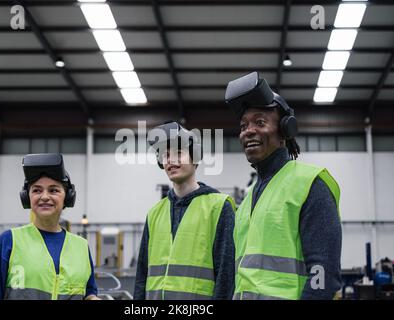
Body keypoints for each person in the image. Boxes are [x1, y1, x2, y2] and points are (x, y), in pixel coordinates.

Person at [225, 72, 342, 300]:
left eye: (260, 122)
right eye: (243, 126)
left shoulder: (310, 184)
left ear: (285, 131)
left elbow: (323, 273)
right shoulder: (248, 200)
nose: (248, 131)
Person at [133, 121, 236, 300]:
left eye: (178, 153)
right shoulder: (154, 213)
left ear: (195, 157)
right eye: (165, 155)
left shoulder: (219, 207)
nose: (170, 161)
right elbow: (142, 274)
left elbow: (226, 276)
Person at [0, 153, 99, 300]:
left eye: (53, 190)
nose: (45, 196)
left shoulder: (81, 247)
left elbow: (89, 291)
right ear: (27, 197)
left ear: (67, 197)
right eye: (37, 190)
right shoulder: (9, 242)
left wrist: (92, 297)